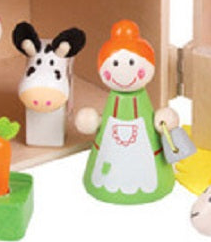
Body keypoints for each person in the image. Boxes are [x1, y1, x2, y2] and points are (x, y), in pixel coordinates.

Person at [75, 20, 178, 204]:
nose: (124, 71)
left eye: (131, 62)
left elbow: (159, 121)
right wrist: (91, 120)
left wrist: (164, 119)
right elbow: (95, 122)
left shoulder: (142, 99)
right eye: (114, 63)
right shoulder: (113, 101)